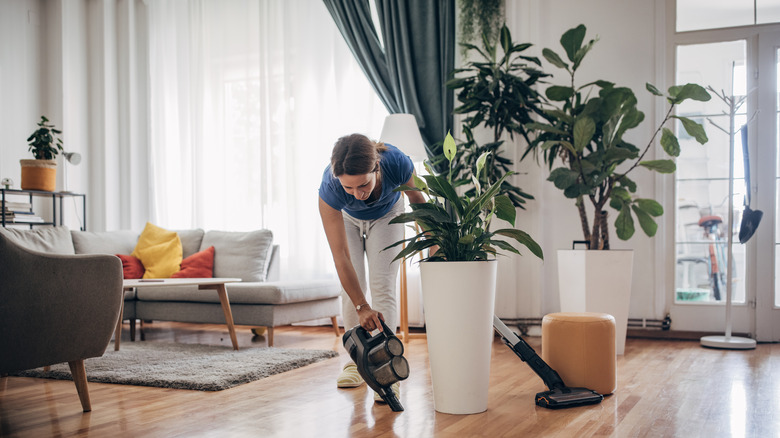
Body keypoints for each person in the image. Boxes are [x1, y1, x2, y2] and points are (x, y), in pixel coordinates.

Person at [318, 133, 425, 402]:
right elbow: (340, 256)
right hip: (348, 219)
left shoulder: (396, 161)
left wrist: (436, 245)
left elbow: (418, 202)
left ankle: (386, 368)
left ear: (376, 167)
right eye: (349, 188)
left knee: (382, 285)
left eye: (363, 185)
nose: (358, 194)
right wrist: (361, 306)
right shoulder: (330, 187)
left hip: (388, 214)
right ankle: (356, 362)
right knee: (353, 292)